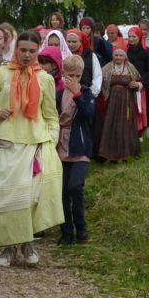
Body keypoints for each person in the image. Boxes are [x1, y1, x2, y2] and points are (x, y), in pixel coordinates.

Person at [0, 29, 58, 267]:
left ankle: (26, 243)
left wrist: (50, 142)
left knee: (27, 197)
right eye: (22, 50)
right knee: (3, 196)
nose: (26, 55)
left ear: (38, 52)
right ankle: (6, 248)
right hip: (2, 143)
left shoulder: (45, 79)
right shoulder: (0, 73)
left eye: (32, 51)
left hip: (33, 143)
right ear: (16, 49)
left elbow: (51, 116)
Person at [57, 51, 95, 244]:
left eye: (77, 76)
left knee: (75, 186)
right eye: (69, 75)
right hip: (61, 146)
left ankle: (81, 228)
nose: (73, 79)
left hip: (80, 147)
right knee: (62, 191)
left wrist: (78, 94)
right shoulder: (58, 94)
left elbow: (89, 114)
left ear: (82, 75)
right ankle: (66, 232)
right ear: (64, 74)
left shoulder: (86, 93)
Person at [32, 49, 67, 240]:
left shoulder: (52, 81)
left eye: (47, 63)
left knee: (42, 180)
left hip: (44, 133)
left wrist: (52, 136)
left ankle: (40, 223)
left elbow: (51, 112)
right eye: (41, 62)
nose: (43, 66)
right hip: (29, 133)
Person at [95, 45, 143, 162]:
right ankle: (108, 152)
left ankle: (128, 151)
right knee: (110, 123)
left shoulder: (130, 67)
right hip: (111, 102)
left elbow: (140, 82)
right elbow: (100, 83)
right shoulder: (107, 68)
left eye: (121, 55)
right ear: (113, 56)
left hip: (127, 101)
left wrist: (136, 85)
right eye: (116, 55)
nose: (118, 57)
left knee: (126, 124)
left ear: (125, 56)